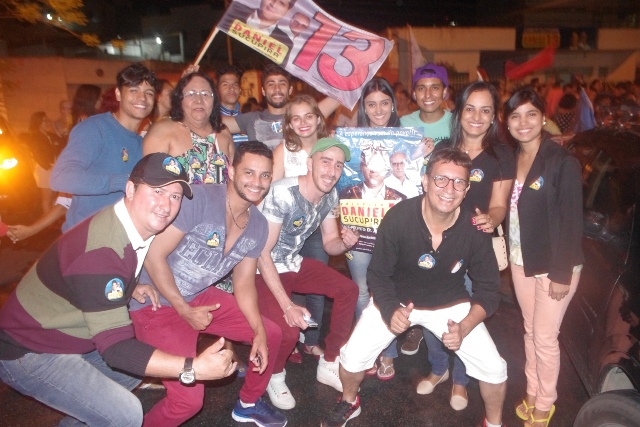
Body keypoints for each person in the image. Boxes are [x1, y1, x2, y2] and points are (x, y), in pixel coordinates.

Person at [0, 153, 239, 426]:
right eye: (157, 191)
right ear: (130, 189)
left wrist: (130, 285)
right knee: (126, 413)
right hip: (28, 349)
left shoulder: (128, 224)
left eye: (175, 196)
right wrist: (192, 368)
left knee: (130, 374)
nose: (166, 205)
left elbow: (101, 273)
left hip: (65, 332)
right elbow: (117, 349)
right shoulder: (102, 252)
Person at [321, 148, 508, 427]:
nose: (449, 189)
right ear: (425, 181)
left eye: (459, 182)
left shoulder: (474, 228)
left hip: (450, 304)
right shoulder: (398, 217)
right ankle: (349, 401)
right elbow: (378, 275)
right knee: (351, 357)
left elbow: (489, 290)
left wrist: (465, 326)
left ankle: (493, 424)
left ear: (467, 190)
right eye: (441, 179)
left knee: (495, 369)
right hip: (398, 300)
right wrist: (389, 309)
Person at [129, 141, 286, 427]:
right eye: (249, 172)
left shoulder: (258, 225)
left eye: (265, 175)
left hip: (199, 297)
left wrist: (259, 331)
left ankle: (248, 404)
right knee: (188, 402)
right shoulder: (199, 200)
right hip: (156, 302)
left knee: (270, 334)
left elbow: (244, 284)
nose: (257, 182)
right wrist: (184, 309)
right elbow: (153, 255)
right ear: (231, 171)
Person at [423, 81, 515, 411]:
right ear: (459, 112)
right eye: (470, 109)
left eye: (485, 110)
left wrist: (492, 218)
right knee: (432, 306)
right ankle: (438, 368)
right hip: (438, 242)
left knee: (467, 314)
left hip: (476, 248)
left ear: (494, 116)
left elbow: (500, 204)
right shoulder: (443, 148)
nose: (477, 117)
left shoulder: (501, 154)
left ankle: (461, 379)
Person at [255, 137, 359, 410]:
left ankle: (329, 361)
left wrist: (345, 243)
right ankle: (274, 376)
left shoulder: (330, 195)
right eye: (326, 162)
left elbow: (330, 242)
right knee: (288, 332)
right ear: (310, 163)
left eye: (338, 165)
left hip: (293, 262)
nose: (332, 171)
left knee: (348, 290)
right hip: (260, 269)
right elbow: (263, 253)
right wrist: (287, 305)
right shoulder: (283, 192)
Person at [505, 87, 583, 427]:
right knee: (530, 332)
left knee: (545, 337)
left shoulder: (561, 161)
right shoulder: (511, 159)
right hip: (521, 259)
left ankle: (545, 403)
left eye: (531, 114)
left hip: (554, 265)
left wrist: (561, 273)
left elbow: (573, 220)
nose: (523, 122)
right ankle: (533, 391)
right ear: (507, 122)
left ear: (543, 118)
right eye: (515, 116)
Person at [342, 77, 410, 380]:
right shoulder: (351, 141)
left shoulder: (407, 141)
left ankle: (389, 353)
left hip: (394, 237)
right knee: (361, 292)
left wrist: (423, 151)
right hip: (357, 235)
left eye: (384, 103)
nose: (379, 109)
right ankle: (369, 350)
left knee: (390, 289)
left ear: (393, 105)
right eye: (371, 104)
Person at [51, 63, 160, 232]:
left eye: (149, 93)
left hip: (120, 237)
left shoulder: (142, 143)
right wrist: (121, 181)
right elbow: (61, 177)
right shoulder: (95, 128)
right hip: (85, 237)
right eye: (133, 90)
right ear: (118, 94)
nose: (142, 98)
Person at [272, 95, 331, 362]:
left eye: (308, 116)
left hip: (318, 228)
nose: (303, 122)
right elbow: (271, 191)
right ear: (289, 123)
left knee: (317, 285)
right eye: (296, 118)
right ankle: (292, 338)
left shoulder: (330, 146)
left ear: (318, 119)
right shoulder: (283, 150)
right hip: (287, 231)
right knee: (290, 283)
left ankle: (312, 340)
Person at [398, 64, 452, 356]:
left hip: (447, 206)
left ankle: (444, 328)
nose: (428, 94)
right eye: (421, 88)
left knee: (443, 268)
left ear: (445, 92)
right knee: (413, 266)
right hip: (413, 206)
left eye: (434, 87)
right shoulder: (403, 123)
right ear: (414, 93)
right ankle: (416, 326)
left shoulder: (457, 122)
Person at [143, 71, 234, 185]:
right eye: (191, 94)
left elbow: (233, 183)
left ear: (214, 99)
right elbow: (149, 184)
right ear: (179, 99)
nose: (199, 100)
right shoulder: (162, 131)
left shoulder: (223, 133)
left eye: (205, 94)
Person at [222, 63, 339, 150]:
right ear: (263, 91)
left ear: (290, 89)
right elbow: (213, 122)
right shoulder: (250, 119)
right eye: (271, 84)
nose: (277, 89)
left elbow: (341, 95)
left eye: (282, 83)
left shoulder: (305, 116)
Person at [21, 112, 64, 215]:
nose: (48, 122)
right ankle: (49, 220)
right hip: (44, 169)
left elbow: (62, 142)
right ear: (39, 122)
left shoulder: (49, 135)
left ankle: (51, 218)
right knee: (46, 199)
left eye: (48, 120)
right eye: (45, 121)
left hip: (52, 168)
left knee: (53, 196)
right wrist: (48, 167)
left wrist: (54, 129)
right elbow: (37, 155)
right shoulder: (35, 137)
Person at [216, 64, 249, 147]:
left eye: (235, 84)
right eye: (225, 84)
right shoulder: (208, 120)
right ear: (217, 90)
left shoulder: (247, 120)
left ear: (240, 90)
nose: (231, 88)